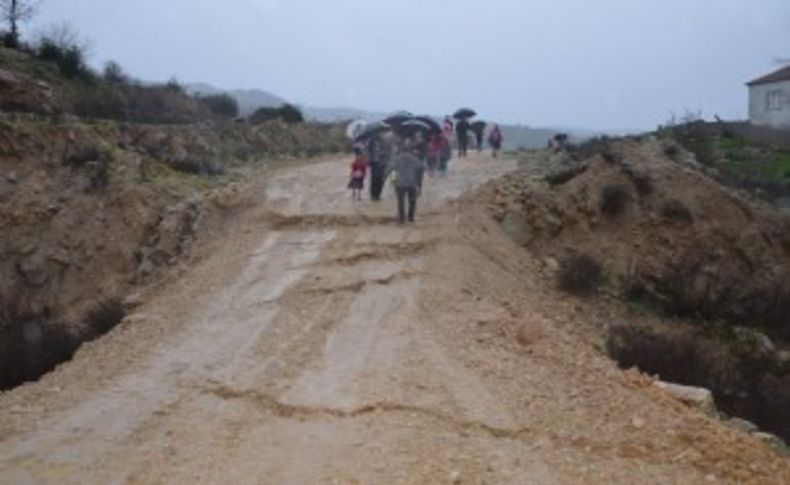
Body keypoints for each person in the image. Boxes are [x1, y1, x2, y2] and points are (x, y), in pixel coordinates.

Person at [388, 142, 422, 224]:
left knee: (400, 202)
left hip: (399, 183)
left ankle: (402, 219)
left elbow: (391, 170)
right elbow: (421, 169)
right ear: (410, 151)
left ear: (401, 151)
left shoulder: (396, 159)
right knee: (412, 201)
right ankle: (411, 218)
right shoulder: (415, 159)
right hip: (411, 183)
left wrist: (393, 181)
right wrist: (419, 184)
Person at [367, 134, 386, 201]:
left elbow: (386, 150)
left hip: (382, 162)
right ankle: (373, 195)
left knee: (381, 179)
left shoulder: (383, 140)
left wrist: (383, 152)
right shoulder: (370, 141)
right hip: (374, 162)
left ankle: (378, 194)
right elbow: (367, 151)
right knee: (374, 179)